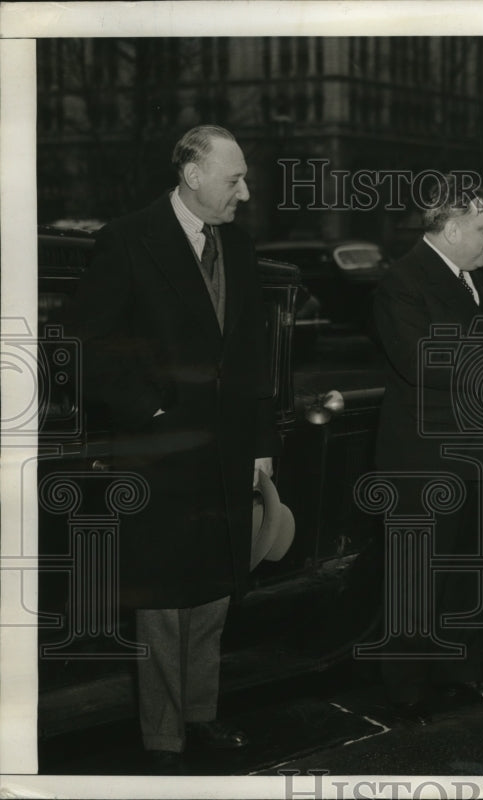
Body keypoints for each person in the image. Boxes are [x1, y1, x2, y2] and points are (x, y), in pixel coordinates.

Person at [73, 125, 277, 773]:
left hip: (226, 453)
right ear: (192, 175)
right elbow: (91, 346)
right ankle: (163, 738)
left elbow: (252, 359)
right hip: (159, 451)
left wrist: (261, 445)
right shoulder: (127, 240)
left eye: (243, 179)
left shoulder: (239, 248)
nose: (243, 191)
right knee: (163, 598)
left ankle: (201, 716)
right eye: (233, 179)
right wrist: (149, 412)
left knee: (214, 590)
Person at [370, 176, 483, 724]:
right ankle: (406, 690)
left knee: (468, 571)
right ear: (454, 226)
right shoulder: (402, 279)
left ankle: (461, 674)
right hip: (425, 459)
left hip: (474, 455)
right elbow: (419, 358)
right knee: (418, 576)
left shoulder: (468, 279)